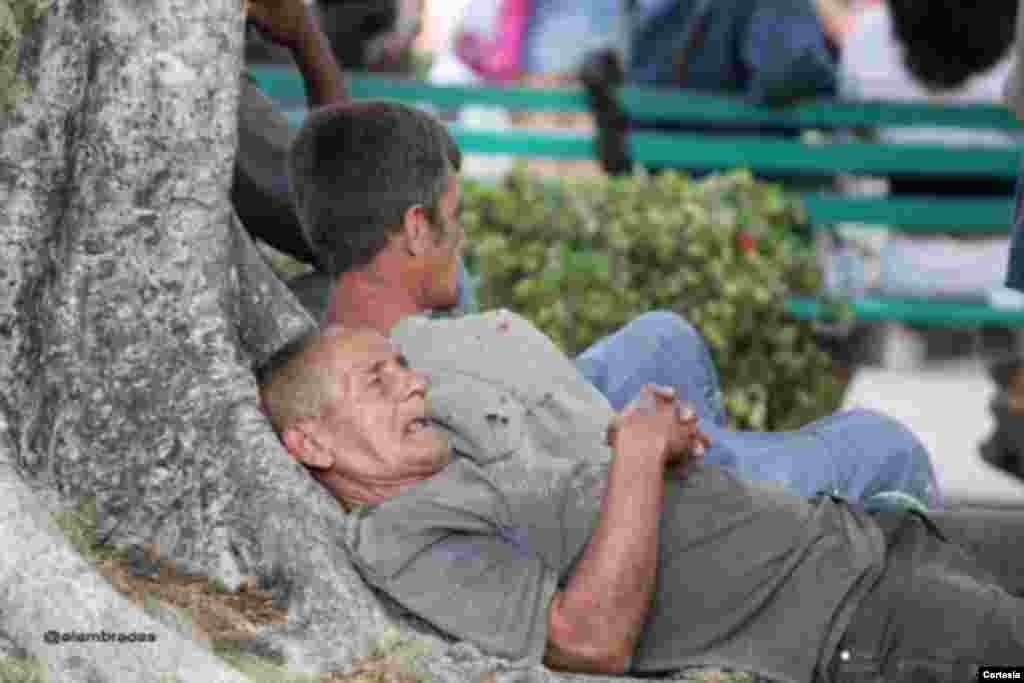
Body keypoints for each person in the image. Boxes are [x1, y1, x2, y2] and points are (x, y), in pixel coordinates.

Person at [261, 323, 1024, 682]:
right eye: (379, 380)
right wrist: (635, 454)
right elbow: (590, 637)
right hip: (858, 623)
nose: (413, 382)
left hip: (872, 544)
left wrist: (655, 445)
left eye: (402, 366)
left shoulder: (452, 457)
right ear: (312, 444)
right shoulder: (402, 537)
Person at [285, 99, 942, 509]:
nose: (463, 238)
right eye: (453, 219)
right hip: (623, 478)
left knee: (662, 338)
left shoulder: (328, 323)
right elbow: (582, 475)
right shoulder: (443, 370)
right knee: (885, 445)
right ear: (417, 228)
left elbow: (348, 164)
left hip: (564, 417)